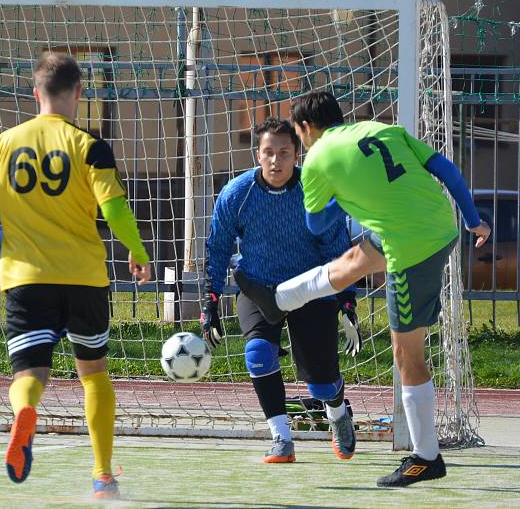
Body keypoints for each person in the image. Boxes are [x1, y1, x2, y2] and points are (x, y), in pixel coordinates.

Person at [239, 91, 491, 487]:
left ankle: (426, 457)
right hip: (437, 224)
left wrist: (341, 195)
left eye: (300, 136)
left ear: (306, 129)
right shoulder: (386, 130)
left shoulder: (319, 156)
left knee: (405, 351)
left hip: (410, 247)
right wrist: (474, 219)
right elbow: (446, 169)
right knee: (356, 261)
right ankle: (279, 299)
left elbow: (317, 227)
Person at [0, 52, 151, 499]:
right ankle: (103, 476)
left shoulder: (3, 142)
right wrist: (138, 250)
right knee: (93, 374)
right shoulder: (90, 146)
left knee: (29, 373)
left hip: (26, 279)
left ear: (36, 94)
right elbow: (113, 209)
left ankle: (25, 412)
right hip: (84, 278)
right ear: (79, 93)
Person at [200, 118, 361, 464]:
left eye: (284, 153)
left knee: (320, 384)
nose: (276, 161)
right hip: (259, 288)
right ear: (257, 155)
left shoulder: (315, 191)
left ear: (296, 154)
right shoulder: (236, 194)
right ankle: (281, 439)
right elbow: (218, 248)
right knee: (257, 353)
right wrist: (210, 303)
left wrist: (348, 301)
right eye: (269, 152)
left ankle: (337, 414)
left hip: (311, 289)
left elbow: (338, 247)